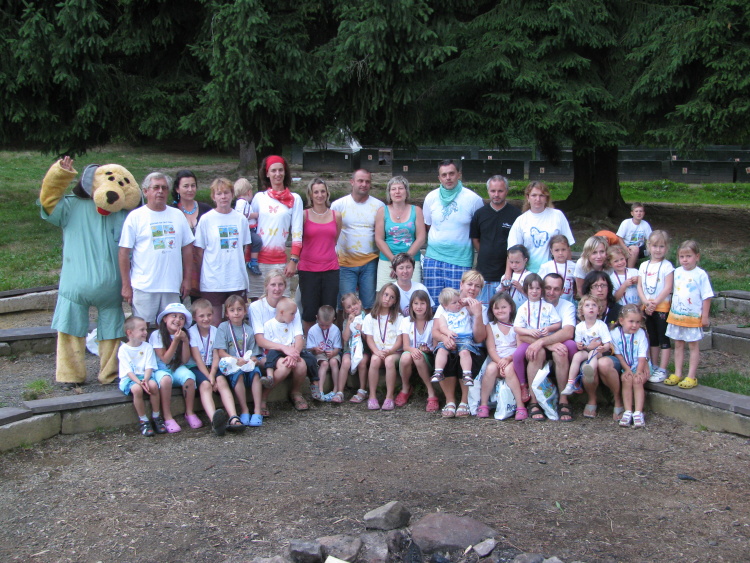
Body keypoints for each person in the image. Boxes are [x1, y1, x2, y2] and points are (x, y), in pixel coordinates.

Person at [119, 172, 194, 324]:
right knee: (142, 329)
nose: (160, 191)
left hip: (172, 286)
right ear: (145, 191)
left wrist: (187, 279)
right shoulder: (135, 217)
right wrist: (126, 285)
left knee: (171, 328)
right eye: (156, 187)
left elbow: (187, 249)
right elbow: (123, 253)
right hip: (144, 287)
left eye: (164, 188)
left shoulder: (178, 215)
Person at [422, 160, 484, 306]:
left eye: (451, 173)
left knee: (457, 304)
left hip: (460, 260)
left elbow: (479, 230)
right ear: (439, 178)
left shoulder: (473, 199)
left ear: (459, 174)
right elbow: (428, 225)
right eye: (444, 175)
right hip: (433, 259)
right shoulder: (431, 197)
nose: (448, 178)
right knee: (433, 304)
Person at [249, 269, 310, 413]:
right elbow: (260, 340)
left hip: (289, 350)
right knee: (284, 367)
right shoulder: (256, 307)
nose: (277, 289)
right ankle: (263, 397)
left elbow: (299, 336)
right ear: (266, 286)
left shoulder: (290, 305)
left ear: (285, 286)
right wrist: (284, 348)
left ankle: (295, 392)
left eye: (280, 285)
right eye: (273, 285)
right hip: (265, 353)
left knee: (301, 365)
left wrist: (293, 354)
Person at [194, 178, 250, 326]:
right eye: (219, 193)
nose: (223, 197)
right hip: (213, 280)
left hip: (236, 279)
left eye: (226, 193)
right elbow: (199, 251)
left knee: (235, 321)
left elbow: (244, 248)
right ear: (213, 197)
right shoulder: (206, 219)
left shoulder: (241, 219)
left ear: (232, 194)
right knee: (215, 323)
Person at [431, 270, 487, 418]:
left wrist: (477, 314)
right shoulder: (448, 303)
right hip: (450, 342)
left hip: (471, 345)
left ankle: (464, 401)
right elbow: (435, 331)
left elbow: (479, 338)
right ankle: (450, 400)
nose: (473, 288)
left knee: (467, 354)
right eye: (470, 284)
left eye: (477, 286)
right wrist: (444, 338)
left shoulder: (481, 308)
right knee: (444, 353)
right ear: (461, 284)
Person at [248, 155, 303, 299]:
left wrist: (293, 260)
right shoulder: (259, 198)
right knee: (257, 303)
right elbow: (250, 228)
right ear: (267, 173)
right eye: (273, 170)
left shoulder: (295, 199)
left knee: (281, 305)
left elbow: (297, 232)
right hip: (258, 261)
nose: (277, 174)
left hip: (279, 263)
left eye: (280, 170)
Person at [188, 299, 246, 434]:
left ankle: (233, 417)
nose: (206, 319)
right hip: (197, 367)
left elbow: (216, 356)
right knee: (206, 385)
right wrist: (209, 378)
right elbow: (197, 359)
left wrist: (213, 375)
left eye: (209, 315)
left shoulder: (216, 330)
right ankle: (215, 421)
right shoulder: (191, 332)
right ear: (195, 317)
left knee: (221, 381)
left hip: (213, 366)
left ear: (213, 315)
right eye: (201, 316)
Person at [331, 169, 384, 311]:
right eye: (360, 181)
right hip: (345, 263)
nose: (364, 184)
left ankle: (367, 326)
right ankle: (344, 326)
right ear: (352, 182)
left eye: (367, 181)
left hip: (370, 262)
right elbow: (331, 234)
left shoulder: (379, 206)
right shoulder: (338, 205)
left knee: (369, 305)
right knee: (345, 305)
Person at [512, 274, 562, 421]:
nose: (534, 291)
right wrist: (529, 332)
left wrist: (549, 328)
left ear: (542, 290)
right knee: (517, 356)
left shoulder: (548, 306)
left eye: (537, 288)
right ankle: (523, 384)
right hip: (529, 340)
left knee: (537, 353)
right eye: (531, 288)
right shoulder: (523, 308)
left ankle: (541, 399)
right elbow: (517, 328)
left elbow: (558, 323)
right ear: (526, 290)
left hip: (544, 340)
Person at [664, 240, 713, 389]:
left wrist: (705, 316)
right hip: (677, 316)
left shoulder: (701, 274)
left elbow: (707, 296)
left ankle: (691, 376)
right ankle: (678, 373)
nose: (685, 260)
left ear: (697, 256)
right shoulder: (677, 272)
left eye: (688, 256)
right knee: (678, 344)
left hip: (692, 317)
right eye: (682, 256)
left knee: (692, 345)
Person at [579, 271, 626, 419]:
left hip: (613, 355)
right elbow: (578, 340)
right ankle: (592, 399)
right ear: (589, 289)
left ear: (609, 288)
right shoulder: (583, 311)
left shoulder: (618, 310)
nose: (600, 289)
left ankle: (618, 399)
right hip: (590, 354)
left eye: (603, 285)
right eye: (595, 286)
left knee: (604, 364)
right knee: (587, 367)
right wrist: (588, 347)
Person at [298, 178, 342, 333]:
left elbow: (334, 240)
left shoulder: (336, 216)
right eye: (316, 192)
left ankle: (329, 343)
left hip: (330, 269)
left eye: (322, 191)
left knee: (329, 311)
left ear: (327, 193)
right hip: (308, 270)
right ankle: (310, 343)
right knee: (309, 312)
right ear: (310, 194)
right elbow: (298, 240)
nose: (319, 195)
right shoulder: (303, 215)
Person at [470, 175, 521, 305]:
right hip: (484, 274)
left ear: (507, 191)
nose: (496, 194)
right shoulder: (480, 214)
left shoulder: (516, 215)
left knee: (504, 310)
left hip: (506, 275)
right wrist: (485, 252)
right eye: (493, 191)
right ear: (488, 191)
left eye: (500, 191)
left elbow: (517, 245)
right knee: (483, 311)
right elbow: (475, 239)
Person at [149, 303, 199, 433]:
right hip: (160, 369)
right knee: (165, 380)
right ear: (165, 318)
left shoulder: (184, 334)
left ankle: (189, 412)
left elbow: (184, 360)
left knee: (189, 377)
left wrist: (185, 341)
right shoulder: (157, 335)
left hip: (176, 367)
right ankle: (167, 416)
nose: (177, 320)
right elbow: (165, 359)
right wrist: (176, 341)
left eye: (181, 318)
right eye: (174, 316)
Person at [214, 295, 263, 427]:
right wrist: (236, 360)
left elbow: (254, 354)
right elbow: (221, 352)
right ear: (226, 313)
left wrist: (252, 360)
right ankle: (244, 410)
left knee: (256, 374)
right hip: (232, 366)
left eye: (239, 309)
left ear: (245, 311)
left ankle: (257, 410)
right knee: (239, 375)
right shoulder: (223, 327)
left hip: (247, 364)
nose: (236, 313)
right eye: (232, 310)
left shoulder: (249, 330)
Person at [478, 292, 526, 421]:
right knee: (490, 369)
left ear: (511, 307)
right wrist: (500, 362)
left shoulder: (517, 325)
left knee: (509, 370)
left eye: (503, 307)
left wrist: (508, 359)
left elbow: (519, 348)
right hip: (497, 359)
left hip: (514, 359)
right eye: (496, 308)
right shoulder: (490, 326)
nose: (500, 310)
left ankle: (520, 406)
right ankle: (484, 404)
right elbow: (491, 349)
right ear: (492, 310)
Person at [507, 181, 574, 273]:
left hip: (554, 273)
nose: (538, 199)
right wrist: (508, 274)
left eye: (541, 195)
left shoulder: (557, 215)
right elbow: (512, 251)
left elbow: (567, 246)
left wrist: (569, 272)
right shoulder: (521, 220)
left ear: (546, 198)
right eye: (534, 195)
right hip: (529, 273)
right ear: (528, 197)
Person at [374, 176, 426, 288]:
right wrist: (395, 262)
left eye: (401, 188)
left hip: (411, 261)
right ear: (389, 193)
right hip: (387, 261)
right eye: (393, 189)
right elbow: (379, 239)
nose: (397, 192)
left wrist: (403, 262)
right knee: (385, 295)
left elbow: (421, 238)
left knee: (413, 295)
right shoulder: (382, 211)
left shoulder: (416, 210)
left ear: (406, 192)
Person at [636, 230, 674, 383]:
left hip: (662, 307)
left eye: (661, 246)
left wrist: (655, 302)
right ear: (649, 246)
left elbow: (668, 287)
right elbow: (639, 286)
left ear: (666, 248)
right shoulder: (643, 265)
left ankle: (663, 368)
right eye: (655, 246)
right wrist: (646, 302)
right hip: (647, 307)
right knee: (652, 337)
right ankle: (654, 365)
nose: (658, 250)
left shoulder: (667, 266)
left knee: (663, 337)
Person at [118, 316, 163, 436]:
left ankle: (156, 416)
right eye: (142, 330)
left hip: (145, 376)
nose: (145, 332)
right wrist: (139, 383)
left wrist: (146, 380)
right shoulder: (123, 349)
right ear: (130, 333)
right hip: (130, 379)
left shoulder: (147, 347)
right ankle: (143, 420)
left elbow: (149, 366)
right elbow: (128, 371)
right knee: (137, 390)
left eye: (146, 329)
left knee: (153, 386)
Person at [171, 170, 212, 299]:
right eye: (186, 186)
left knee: (202, 305)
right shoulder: (172, 212)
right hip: (179, 264)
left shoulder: (206, 210)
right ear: (177, 189)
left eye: (193, 185)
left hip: (202, 264)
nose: (190, 189)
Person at [362, 284, 404, 410]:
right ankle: (372, 396)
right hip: (378, 352)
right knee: (374, 360)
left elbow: (399, 340)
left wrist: (390, 351)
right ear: (380, 295)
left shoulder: (399, 317)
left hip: (394, 352)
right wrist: (376, 351)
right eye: (386, 295)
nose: (387, 299)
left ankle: (389, 397)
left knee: (389, 361)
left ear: (395, 301)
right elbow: (369, 338)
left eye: (392, 297)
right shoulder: (370, 317)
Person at [562, 295, 612, 396]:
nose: (591, 307)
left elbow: (607, 343)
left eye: (594, 305)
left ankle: (590, 373)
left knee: (592, 353)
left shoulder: (601, 325)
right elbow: (578, 344)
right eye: (587, 305)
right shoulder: (580, 327)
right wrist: (580, 346)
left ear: (598, 310)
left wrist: (603, 348)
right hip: (586, 350)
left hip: (599, 352)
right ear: (581, 311)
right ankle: (570, 383)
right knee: (577, 356)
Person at [398, 290, 438, 411]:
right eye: (416, 303)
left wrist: (427, 350)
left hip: (427, 357)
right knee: (405, 357)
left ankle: (431, 392)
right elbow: (405, 346)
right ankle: (405, 388)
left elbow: (435, 347)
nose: (419, 307)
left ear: (428, 305)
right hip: (411, 353)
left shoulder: (433, 322)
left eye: (422, 303)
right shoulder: (406, 321)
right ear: (411, 305)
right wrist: (413, 349)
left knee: (418, 356)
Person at [612, 304, 651, 428]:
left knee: (637, 380)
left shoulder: (641, 333)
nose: (634, 325)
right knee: (627, 379)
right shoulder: (615, 333)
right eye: (631, 321)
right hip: (626, 366)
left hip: (640, 365)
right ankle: (628, 411)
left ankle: (638, 412)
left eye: (638, 322)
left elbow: (642, 355)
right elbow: (618, 355)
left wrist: (639, 371)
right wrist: (627, 370)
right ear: (622, 321)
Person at [431, 287, 478, 387]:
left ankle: (467, 374)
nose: (458, 304)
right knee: (441, 350)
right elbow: (442, 327)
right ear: (445, 305)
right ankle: (438, 371)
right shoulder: (443, 314)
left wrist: (466, 301)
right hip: (450, 338)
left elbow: (473, 306)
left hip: (465, 338)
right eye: (454, 303)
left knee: (465, 352)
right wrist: (447, 332)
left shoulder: (465, 309)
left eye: (459, 301)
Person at [306, 305, 343, 402]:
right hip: (319, 354)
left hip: (332, 352)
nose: (324, 327)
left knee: (334, 362)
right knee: (324, 363)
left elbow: (338, 347)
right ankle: (320, 390)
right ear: (317, 318)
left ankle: (335, 389)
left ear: (333, 320)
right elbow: (310, 347)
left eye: (327, 325)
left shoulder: (335, 329)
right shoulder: (312, 330)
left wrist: (334, 352)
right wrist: (315, 349)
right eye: (322, 325)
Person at [340, 293, 370, 404]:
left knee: (362, 362)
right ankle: (340, 391)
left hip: (364, 349)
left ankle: (362, 390)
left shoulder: (367, 318)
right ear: (345, 310)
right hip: (349, 349)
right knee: (345, 362)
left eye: (354, 304)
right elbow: (345, 338)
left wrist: (362, 330)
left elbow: (369, 339)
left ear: (360, 302)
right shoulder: (346, 321)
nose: (352, 308)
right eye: (348, 307)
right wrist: (349, 323)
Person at [233, 177, 263, 276]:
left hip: (250, 229)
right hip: (248, 229)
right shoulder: (243, 202)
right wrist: (255, 215)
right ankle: (253, 262)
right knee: (257, 241)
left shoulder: (240, 202)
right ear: (249, 192)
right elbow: (242, 216)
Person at [538, 235, 576, 303]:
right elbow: (539, 284)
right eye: (557, 250)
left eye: (563, 249)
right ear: (551, 251)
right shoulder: (546, 267)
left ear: (568, 249)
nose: (560, 253)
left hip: (567, 302)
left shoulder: (573, 266)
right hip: (549, 302)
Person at [617, 202, 652, 269]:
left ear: (643, 213)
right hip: (626, 246)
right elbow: (619, 238)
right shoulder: (626, 223)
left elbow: (649, 239)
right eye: (636, 211)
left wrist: (649, 248)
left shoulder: (645, 224)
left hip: (640, 247)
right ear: (632, 213)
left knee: (654, 247)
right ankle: (630, 270)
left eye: (641, 211)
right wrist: (626, 249)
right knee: (634, 249)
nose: (639, 213)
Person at [500, 244, 531, 309]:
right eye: (511, 262)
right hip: (508, 310)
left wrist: (521, 289)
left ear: (525, 260)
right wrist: (503, 288)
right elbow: (497, 295)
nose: (514, 265)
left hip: (523, 309)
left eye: (517, 262)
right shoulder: (505, 277)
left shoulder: (529, 276)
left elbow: (533, 295)